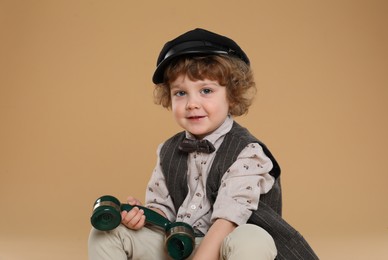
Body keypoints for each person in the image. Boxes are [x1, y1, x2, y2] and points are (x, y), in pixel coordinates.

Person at [88, 28, 318, 260]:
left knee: (253, 238)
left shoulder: (248, 152)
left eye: (206, 90)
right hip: (180, 244)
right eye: (180, 93)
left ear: (232, 95)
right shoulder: (167, 150)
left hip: (226, 248)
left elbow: (227, 220)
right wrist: (144, 217)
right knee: (106, 233)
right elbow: (163, 209)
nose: (192, 103)